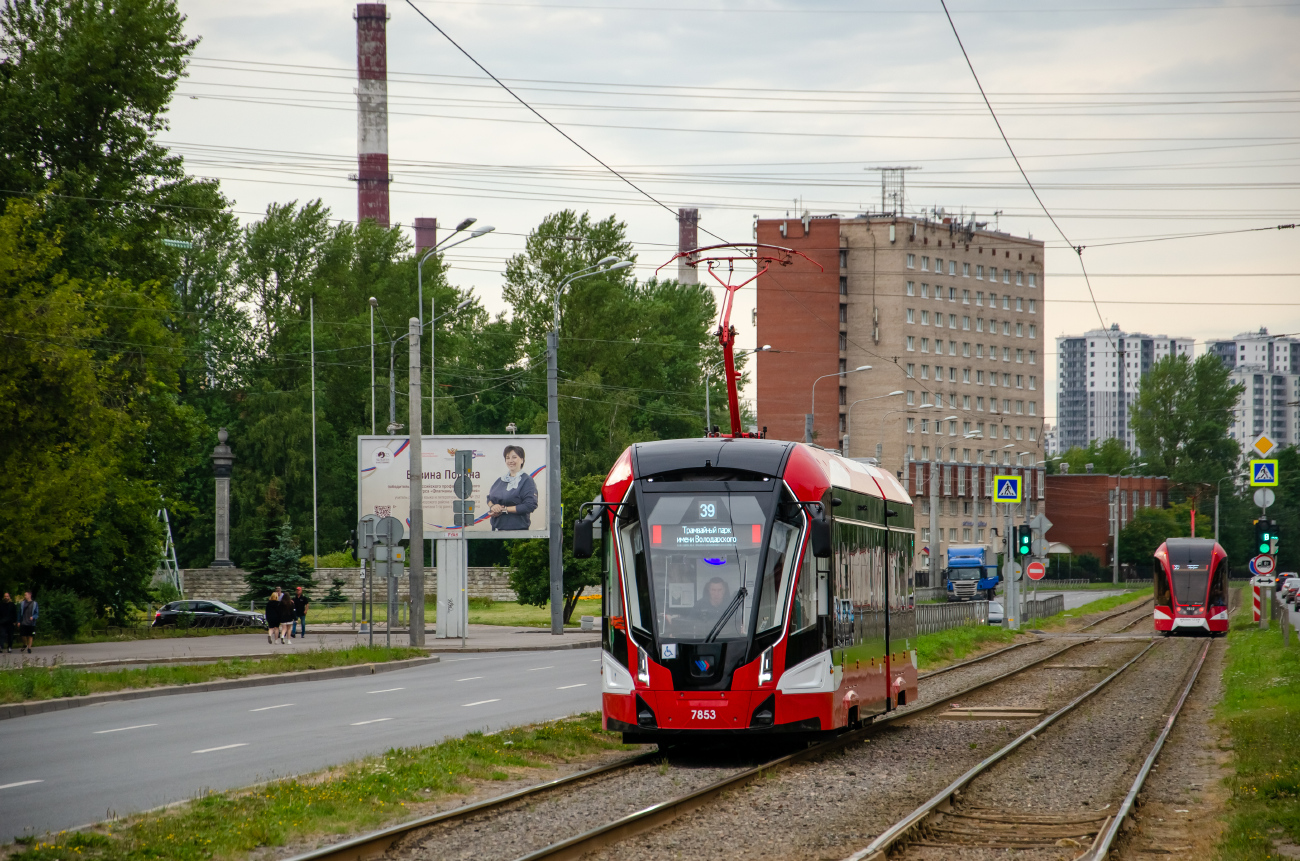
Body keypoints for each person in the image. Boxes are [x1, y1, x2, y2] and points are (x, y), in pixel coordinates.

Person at [487, 445, 539, 531]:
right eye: (507, 458)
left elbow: (529, 505)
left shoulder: (527, 481)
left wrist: (504, 509)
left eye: (514, 457)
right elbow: (489, 498)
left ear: (522, 460)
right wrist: (493, 506)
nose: (510, 461)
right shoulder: (500, 480)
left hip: (517, 532)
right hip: (497, 530)